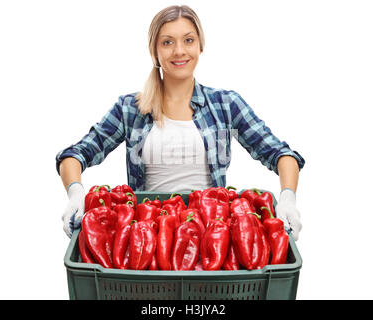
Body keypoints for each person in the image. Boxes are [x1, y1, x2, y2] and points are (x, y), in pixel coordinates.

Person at [56, 5, 305, 240]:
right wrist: (76, 193)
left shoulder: (226, 104)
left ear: (200, 46)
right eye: (167, 42)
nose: (179, 51)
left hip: (210, 231)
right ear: (154, 51)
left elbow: (280, 154)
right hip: (149, 231)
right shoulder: (130, 108)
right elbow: (76, 154)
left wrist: (287, 198)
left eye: (188, 40)